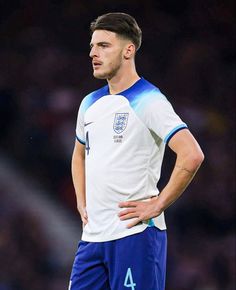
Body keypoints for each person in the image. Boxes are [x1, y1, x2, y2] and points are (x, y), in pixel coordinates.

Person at [69, 12, 204, 290]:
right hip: (93, 238)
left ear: (128, 50)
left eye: (104, 46)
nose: (94, 53)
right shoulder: (89, 103)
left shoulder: (149, 100)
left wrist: (158, 204)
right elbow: (79, 154)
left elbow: (192, 155)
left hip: (136, 235)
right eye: (92, 46)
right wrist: (81, 201)